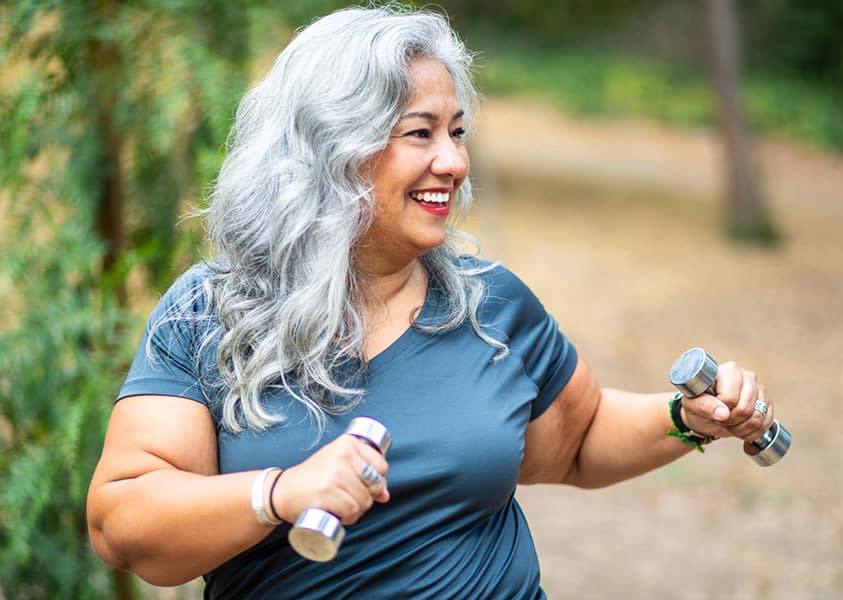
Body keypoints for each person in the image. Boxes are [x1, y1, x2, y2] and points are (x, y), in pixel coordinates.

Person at [86, 6, 776, 599]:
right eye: (421, 133)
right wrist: (278, 494)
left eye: (457, 131)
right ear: (332, 149)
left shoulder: (490, 304)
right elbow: (123, 524)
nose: (453, 161)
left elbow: (575, 440)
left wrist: (687, 418)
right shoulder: (210, 316)